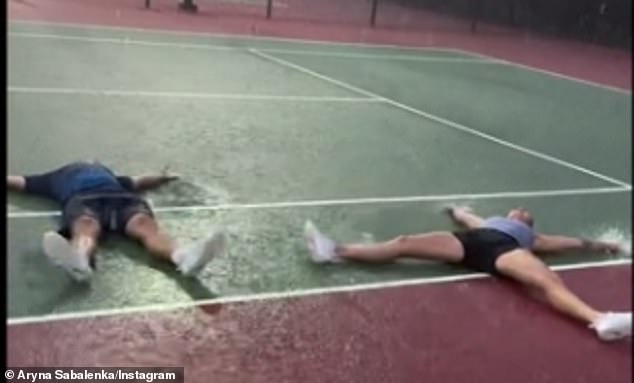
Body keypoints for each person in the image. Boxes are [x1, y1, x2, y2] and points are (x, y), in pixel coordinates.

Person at [303, 206, 631, 341]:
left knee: (546, 281)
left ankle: (601, 319)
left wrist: (605, 245)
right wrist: (456, 209)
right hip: (467, 244)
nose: (520, 210)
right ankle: (334, 252)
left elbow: (575, 243)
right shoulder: (486, 222)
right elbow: (465, 215)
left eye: (525, 214)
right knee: (405, 242)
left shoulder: (533, 238)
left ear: (527, 224)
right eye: (517, 210)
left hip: (505, 252)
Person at [7, 161, 226, 282]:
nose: (91, 164)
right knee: (86, 225)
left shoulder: (114, 178)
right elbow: (20, 182)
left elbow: (140, 180)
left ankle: (184, 258)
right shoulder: (54, 177)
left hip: (122, 199)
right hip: (84, 200)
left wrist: (162, 178)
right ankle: (79, 261)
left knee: (143, 224)